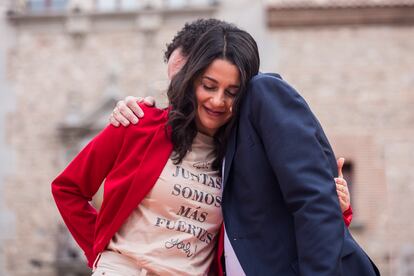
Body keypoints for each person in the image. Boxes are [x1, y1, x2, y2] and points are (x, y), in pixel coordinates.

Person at [107, 19, 379, 275]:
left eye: (185, 80)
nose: (177, 96)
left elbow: (314, 200)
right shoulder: (210, 140)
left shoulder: (264, 94)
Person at [52, 23, 260, 276]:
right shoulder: (138, 123)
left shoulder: (240, 154)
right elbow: (68, 188)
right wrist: (101, 252)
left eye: (231, 92)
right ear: (192, 80)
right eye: (208, 85)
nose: (218, 100)